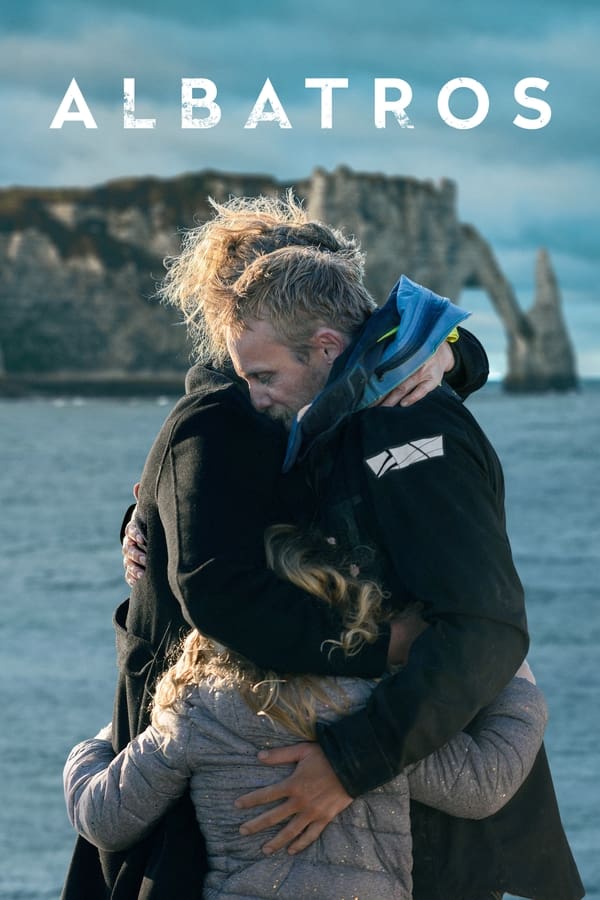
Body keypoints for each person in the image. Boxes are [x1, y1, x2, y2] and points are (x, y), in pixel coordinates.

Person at [61, 204, 486, 900]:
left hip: (239, 724)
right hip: (213, 728)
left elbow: (399, 359)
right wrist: (386, 646)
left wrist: (454, 351)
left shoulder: (314, 391)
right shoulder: (230, 412)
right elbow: (216, 579)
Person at [64, 525, 548, 900]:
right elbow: (488, 781)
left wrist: (100, 741)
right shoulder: (378, 713)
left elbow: (105, 818)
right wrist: (506, 664)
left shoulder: (200, 710)